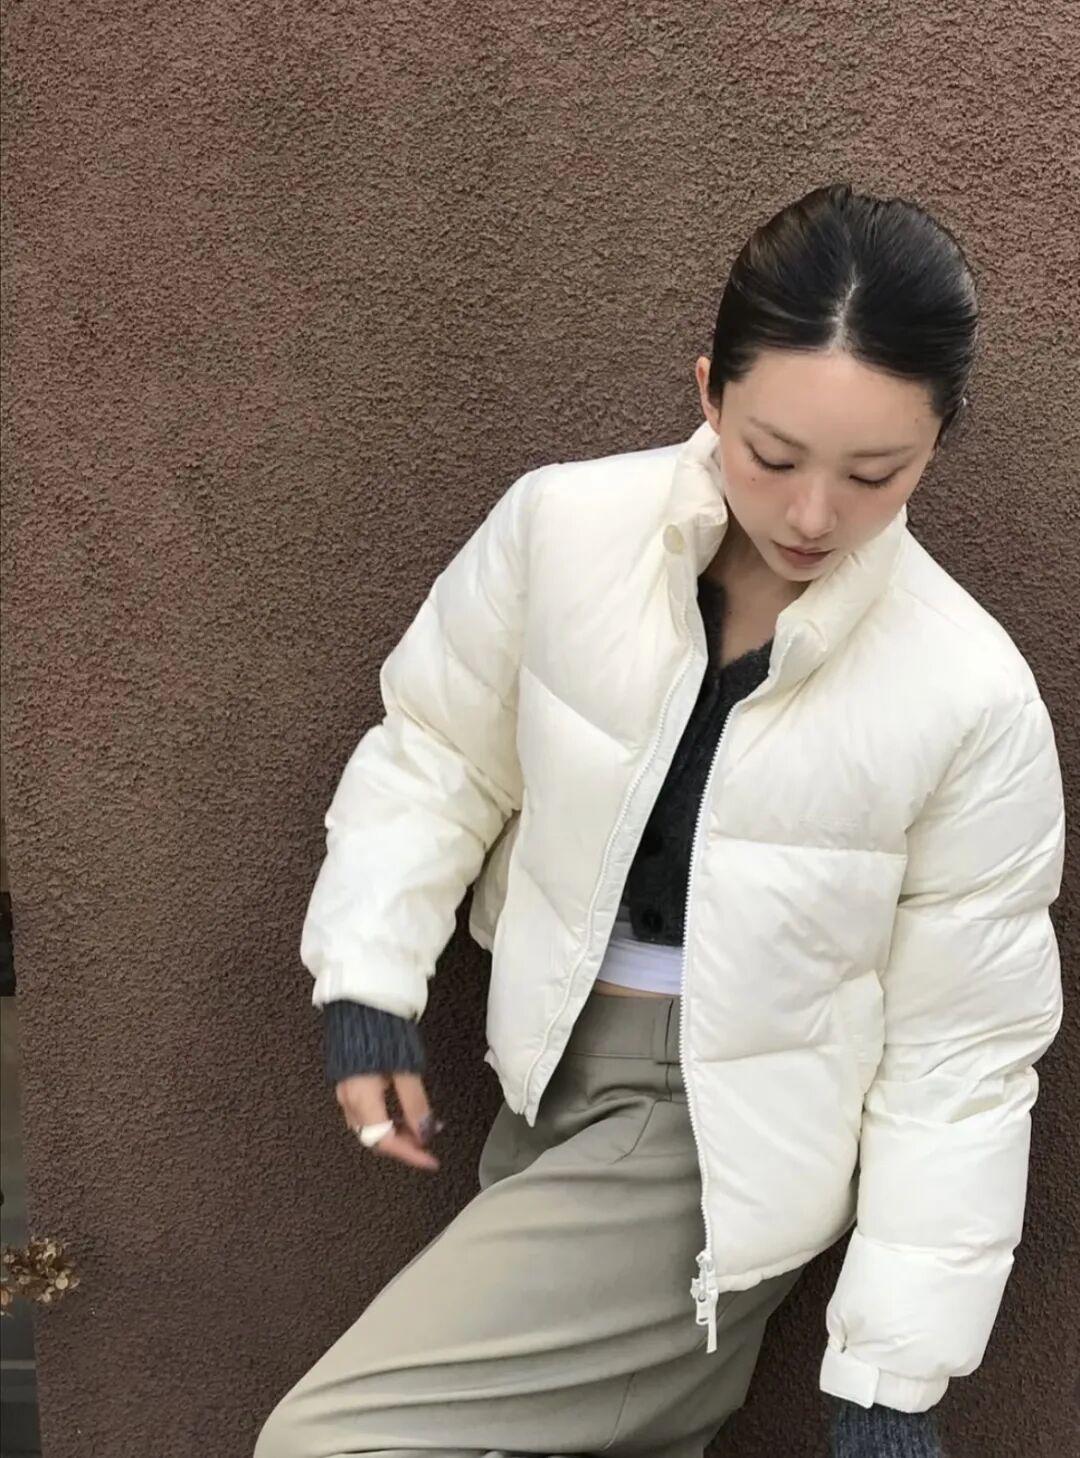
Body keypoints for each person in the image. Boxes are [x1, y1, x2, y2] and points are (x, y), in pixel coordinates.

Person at [255, 183, 1064, 1458]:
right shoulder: (564, 529)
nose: (813, 515)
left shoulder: (968, 693)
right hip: (541, 1071)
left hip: (714, 1139)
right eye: (774, 456)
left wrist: (888, 1385)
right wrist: (367, 982)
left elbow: (963, 1053)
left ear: (936, 444)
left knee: (330, 1441)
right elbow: (437, 755)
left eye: (875, 474)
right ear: (709, 394)